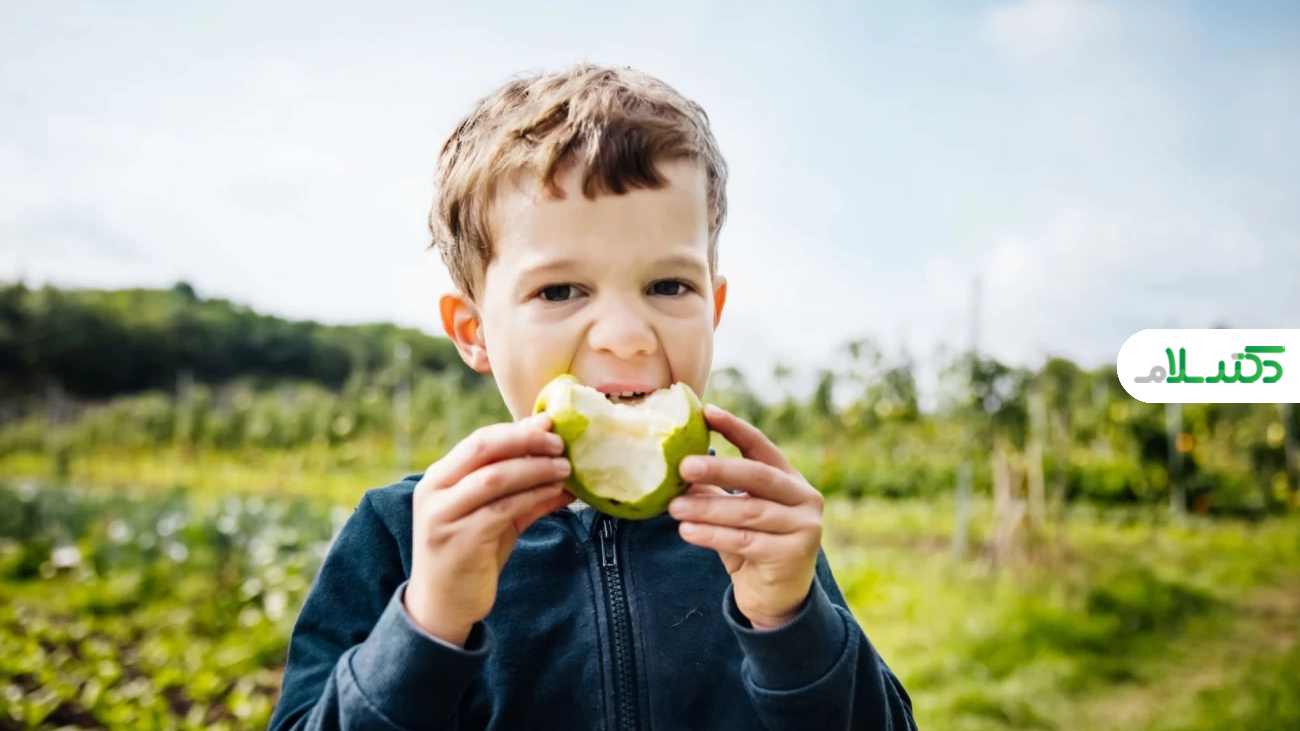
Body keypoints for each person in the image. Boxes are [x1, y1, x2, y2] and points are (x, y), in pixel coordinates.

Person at [267, 62, 915, 731]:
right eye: (559, 290)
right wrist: (427, 622)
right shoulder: (400, 536)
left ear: (714, 307)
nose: (629, 336)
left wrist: (792, 622)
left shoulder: (749, 536)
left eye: (669, 285)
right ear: (474, 330)